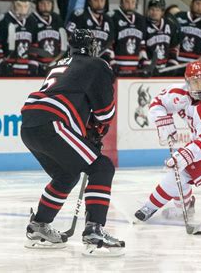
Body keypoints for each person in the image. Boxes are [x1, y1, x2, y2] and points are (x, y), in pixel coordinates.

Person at [20, 29, 125, 256]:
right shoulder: (98, 64)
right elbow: (105, 113)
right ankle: (94, 231)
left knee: (66, 175)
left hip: (29, 124)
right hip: (53, 123)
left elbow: (70, 97)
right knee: (102, 167)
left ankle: (38, 226)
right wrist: (96, 131)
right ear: (93, 48)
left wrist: (87, 132)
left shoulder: (59, 64)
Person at [134, 60, 201, 222]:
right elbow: (158, 103)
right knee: (180, 172)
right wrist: (163, 121)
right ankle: (185, 208)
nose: (200, 86)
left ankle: (149, 208)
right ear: (187, 82)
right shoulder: (179, 93)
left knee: (181, 172)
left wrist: (185, 155)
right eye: (195, 81)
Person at [0, 0, 36, 76]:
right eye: (19, 5)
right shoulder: (3, 20)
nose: (23, 9)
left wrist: (33, 62)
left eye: (26, 6)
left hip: (26, 70)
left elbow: (34, 44)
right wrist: (1, 62)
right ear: (13, 5)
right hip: (8, 69)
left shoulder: (31, 21)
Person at [66, 0, 115, 64]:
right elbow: (68, 38)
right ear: (89, 0)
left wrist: (111, 60)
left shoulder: (108, 20)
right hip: (81, 63)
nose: (99, 3)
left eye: (102, 0)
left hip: (100, 63)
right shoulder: (79, 16)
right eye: (96, 0)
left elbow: (109, 43)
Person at [28, 0, 67, 76]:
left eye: (48, 3)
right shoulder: (31, 19)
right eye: (42, 3)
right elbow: (30, 45)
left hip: (54, 66)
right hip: (38, 66)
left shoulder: (57, 19)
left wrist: (57, 61)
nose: (46, 6)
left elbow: (63, 44)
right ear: (37, 4)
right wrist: (34, 63)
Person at [109, 0, 147, 76]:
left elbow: (142, 44)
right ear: (121, 2)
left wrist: (144, 60)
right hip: (117, 68)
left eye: (133, 2)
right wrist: (112, 62)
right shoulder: (113, 17)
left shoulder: (140, 19)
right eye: (127, 1)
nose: (130, 5)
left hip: (135, 69)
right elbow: (109, 43)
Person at [144, 0, 180, 75]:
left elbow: (174, 45)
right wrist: (146, 64)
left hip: (166, 68)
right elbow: (141, 47)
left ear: (162, 12)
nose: (154, 13)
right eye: (152, 9)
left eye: (157, 10)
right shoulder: (143, 24)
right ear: (148, 10)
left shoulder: (170, 25)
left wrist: (172, 61)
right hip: (149, 69)